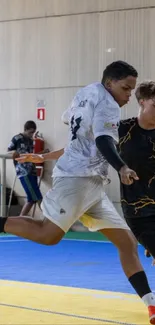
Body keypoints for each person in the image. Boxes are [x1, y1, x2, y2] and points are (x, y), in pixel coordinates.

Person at [1, 61, 155, 324]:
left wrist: (43, 156)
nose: (129, 95)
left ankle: (151, 305)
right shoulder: (107, 105)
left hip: (92, 184)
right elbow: (103, 141)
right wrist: (121, 167)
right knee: (48, 235)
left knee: (126, 243)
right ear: (110, 84)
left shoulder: (84, 95)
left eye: (132, 90)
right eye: (126, 89)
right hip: (76, 179)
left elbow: (77, 137)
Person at [117, 81, 155, 265]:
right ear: (141, 101)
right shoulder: (122, 129)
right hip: (139, 212)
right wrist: (43, 156)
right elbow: (83, 147)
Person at [8, 121, 43, 216]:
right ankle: (49, 220)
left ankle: (20, 220)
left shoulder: (31, 140)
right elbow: (8, 151)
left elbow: (30, 154)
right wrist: (15, 153)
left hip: (32, 170)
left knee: (31, 199)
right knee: (38, 197)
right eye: (30, 132)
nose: (32, 135)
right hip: (24, 172)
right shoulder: (17, 138)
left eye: (33, 132)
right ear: (25, 130)